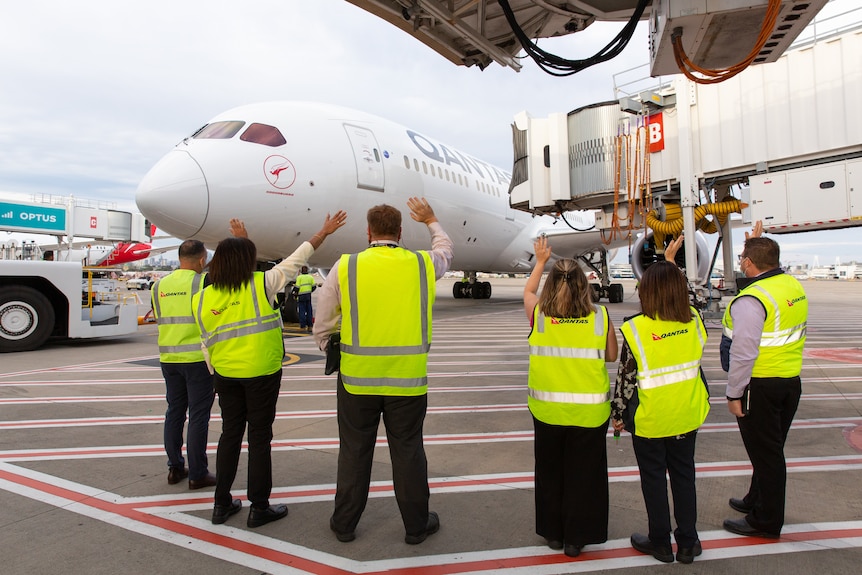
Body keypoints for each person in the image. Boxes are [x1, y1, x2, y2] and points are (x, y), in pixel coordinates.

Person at [313, 197, 453, 544]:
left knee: (354, 452)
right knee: (408, 451)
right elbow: (446, 250)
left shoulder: (346, 266)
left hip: (357, 380)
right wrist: (432, 220)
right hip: (407, 380)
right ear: (401, 232)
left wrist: (332, 348)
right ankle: (416, 526)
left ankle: (344, 524)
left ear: (368, 231)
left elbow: (324, 321)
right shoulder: (422, 264)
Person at [193, 211, 347, 528]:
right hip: (262, 375)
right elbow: (298, 257)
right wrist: (324, 231)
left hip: (225, 377)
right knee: (260, 440)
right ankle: (258, 507)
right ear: (248, 261)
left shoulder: (202, 298)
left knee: (229, 436)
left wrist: (216, 374)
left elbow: (205, 343)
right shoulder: (262, 284)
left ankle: (221, 505)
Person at [523, 235, 618, 558]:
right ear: (584, 285)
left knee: (550, 472)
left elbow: (528, 292)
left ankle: (552, 533)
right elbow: (611, 357)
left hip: (547, 411)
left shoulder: (539, 315)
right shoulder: (600, 318)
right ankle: (577, 538)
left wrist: (539, 262)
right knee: (584, 476)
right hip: (589, 413)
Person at [611, 260, 710, 564]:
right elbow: (695, 296)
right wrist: (671, 262)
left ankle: (661, 543)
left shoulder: (637, 328)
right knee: (684, 477)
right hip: (687, 414)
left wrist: (617, 413)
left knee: (653, 480)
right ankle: (689, 542)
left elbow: (626, 378)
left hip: (651, 419)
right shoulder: (693, 319)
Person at [721, 223, 808, 539]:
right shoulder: (791, 286)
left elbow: (743, 353)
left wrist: (734, 393)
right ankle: (754, 500)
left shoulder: (752, 300)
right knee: (769, 450)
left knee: (767, 456)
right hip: (789, 382)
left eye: (743, 258)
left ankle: (766, 521)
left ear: (747, 263)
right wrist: (753, 247)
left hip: (760, 386)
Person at [151, 240, 216, 490]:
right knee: (199, 416)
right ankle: (198, 472)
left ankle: (175, 467)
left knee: (174, 412)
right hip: (197, 360)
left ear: (179, 258)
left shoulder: (159, 285)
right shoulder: (202, 282)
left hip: (168, 358)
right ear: (202, 260)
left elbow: (159, 318)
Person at [294, 265, 316, 331]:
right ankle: (310, 326)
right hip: (308, 296)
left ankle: (303, 327)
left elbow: (297, 287)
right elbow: (314, 287)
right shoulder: (310, 277)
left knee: (302, 312)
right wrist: (309, 291)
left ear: (301, 271)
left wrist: (294, 294)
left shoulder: (299, 277)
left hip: (301, 296)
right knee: (309, 311)